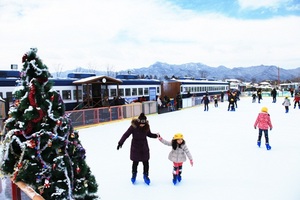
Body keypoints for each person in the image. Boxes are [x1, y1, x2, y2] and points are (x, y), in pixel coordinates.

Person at [117, 113, 159, 185]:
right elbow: (126, 134)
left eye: (143, 124)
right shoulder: (133, 126)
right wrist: (120, 143)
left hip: (144, 147)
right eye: (141, 124)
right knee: (135, 162)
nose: (142, 125)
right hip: (135, 147)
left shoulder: (146, 126)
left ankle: (146, 175)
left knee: (146, 162)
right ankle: (134, 175)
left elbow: (148, 134)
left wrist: (156, 135)